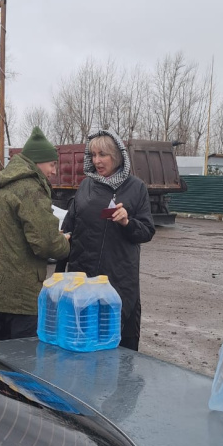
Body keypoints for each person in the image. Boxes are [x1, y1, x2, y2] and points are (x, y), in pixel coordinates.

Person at [0, 126, 70, 342]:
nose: (54, 171)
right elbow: (47, 243)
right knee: (22, 356)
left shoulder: (5, 183)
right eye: (52, 164)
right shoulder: (29, 187)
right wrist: (64, 243)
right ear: (38, 162)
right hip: (19, 296)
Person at [61, 129, 154, 351]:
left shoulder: (136, 188)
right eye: (93, 155)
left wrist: (127, 222)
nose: (97, 161)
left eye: (103, 155)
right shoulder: (85, 186)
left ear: (117, 156)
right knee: (82, 341)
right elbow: (69, 225)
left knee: (116, 343)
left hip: (119, 280)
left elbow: (147, 231)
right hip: (83, 278)